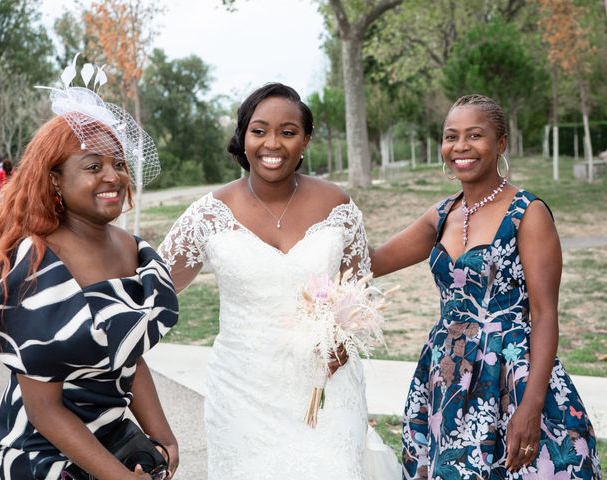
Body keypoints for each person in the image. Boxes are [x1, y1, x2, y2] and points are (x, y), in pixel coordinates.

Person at [158, 83, 401, 479]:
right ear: (243, 137)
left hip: (325, 388)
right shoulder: (208, 214)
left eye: (288, 132)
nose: (273, 143)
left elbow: (359, 290)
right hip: (242, 395)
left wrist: (343, 336)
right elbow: (154, 286)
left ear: (305, 140)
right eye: (259, 131)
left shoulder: (336, 205)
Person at [0, 58, 179, 480]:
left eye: (118, 164)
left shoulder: (134, 251)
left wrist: (165, 437)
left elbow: (129, 358)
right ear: (55, 180)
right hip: (41, 448)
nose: (113, 177)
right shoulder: (36, 264)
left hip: (110, 435)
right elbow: (44, 409)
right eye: (93, 166)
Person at [370, 94, 601, 479]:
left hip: (512, 374)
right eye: (451, 136)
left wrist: (531, 406)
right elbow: (372, 262)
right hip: (448, 375)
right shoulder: (441, 215)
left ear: (501, 144)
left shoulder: (527, 213)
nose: (460, 147)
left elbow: (545, 314)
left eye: (475, 135)